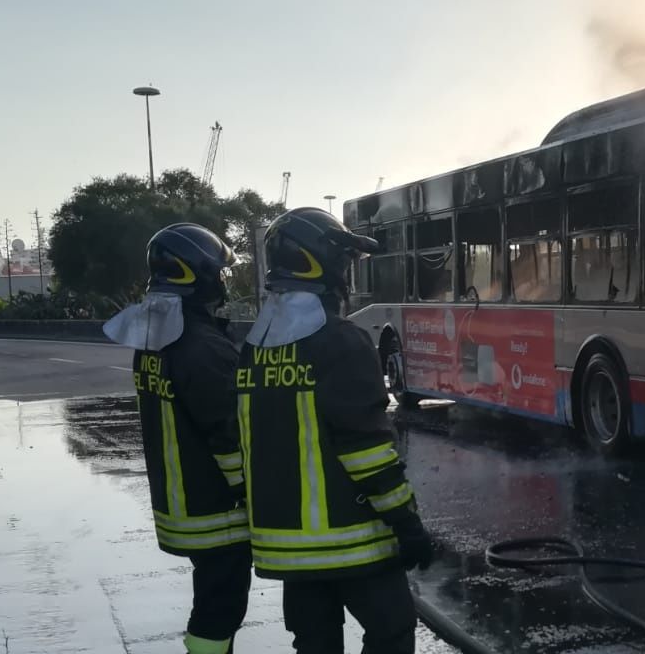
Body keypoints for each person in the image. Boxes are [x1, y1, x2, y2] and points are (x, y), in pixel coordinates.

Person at [238, 207, 435, 654]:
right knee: (392, 632)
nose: (346, 275)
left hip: (287, 549)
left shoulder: (254, 347)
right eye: (343, 262)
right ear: (322, 264)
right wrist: (406, 523)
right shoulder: (340, 342)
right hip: (351, 542)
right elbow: (366, 451)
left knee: (315, 645)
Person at [103, 223, 250, 654]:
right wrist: (251, 491)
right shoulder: (201, 346)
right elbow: (227, 433)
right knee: (220, 607)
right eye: (219, 273)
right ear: (197, 274)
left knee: (211, 598)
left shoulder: (156, 340)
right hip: (215, 508)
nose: (222, 282)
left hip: (180, 501)